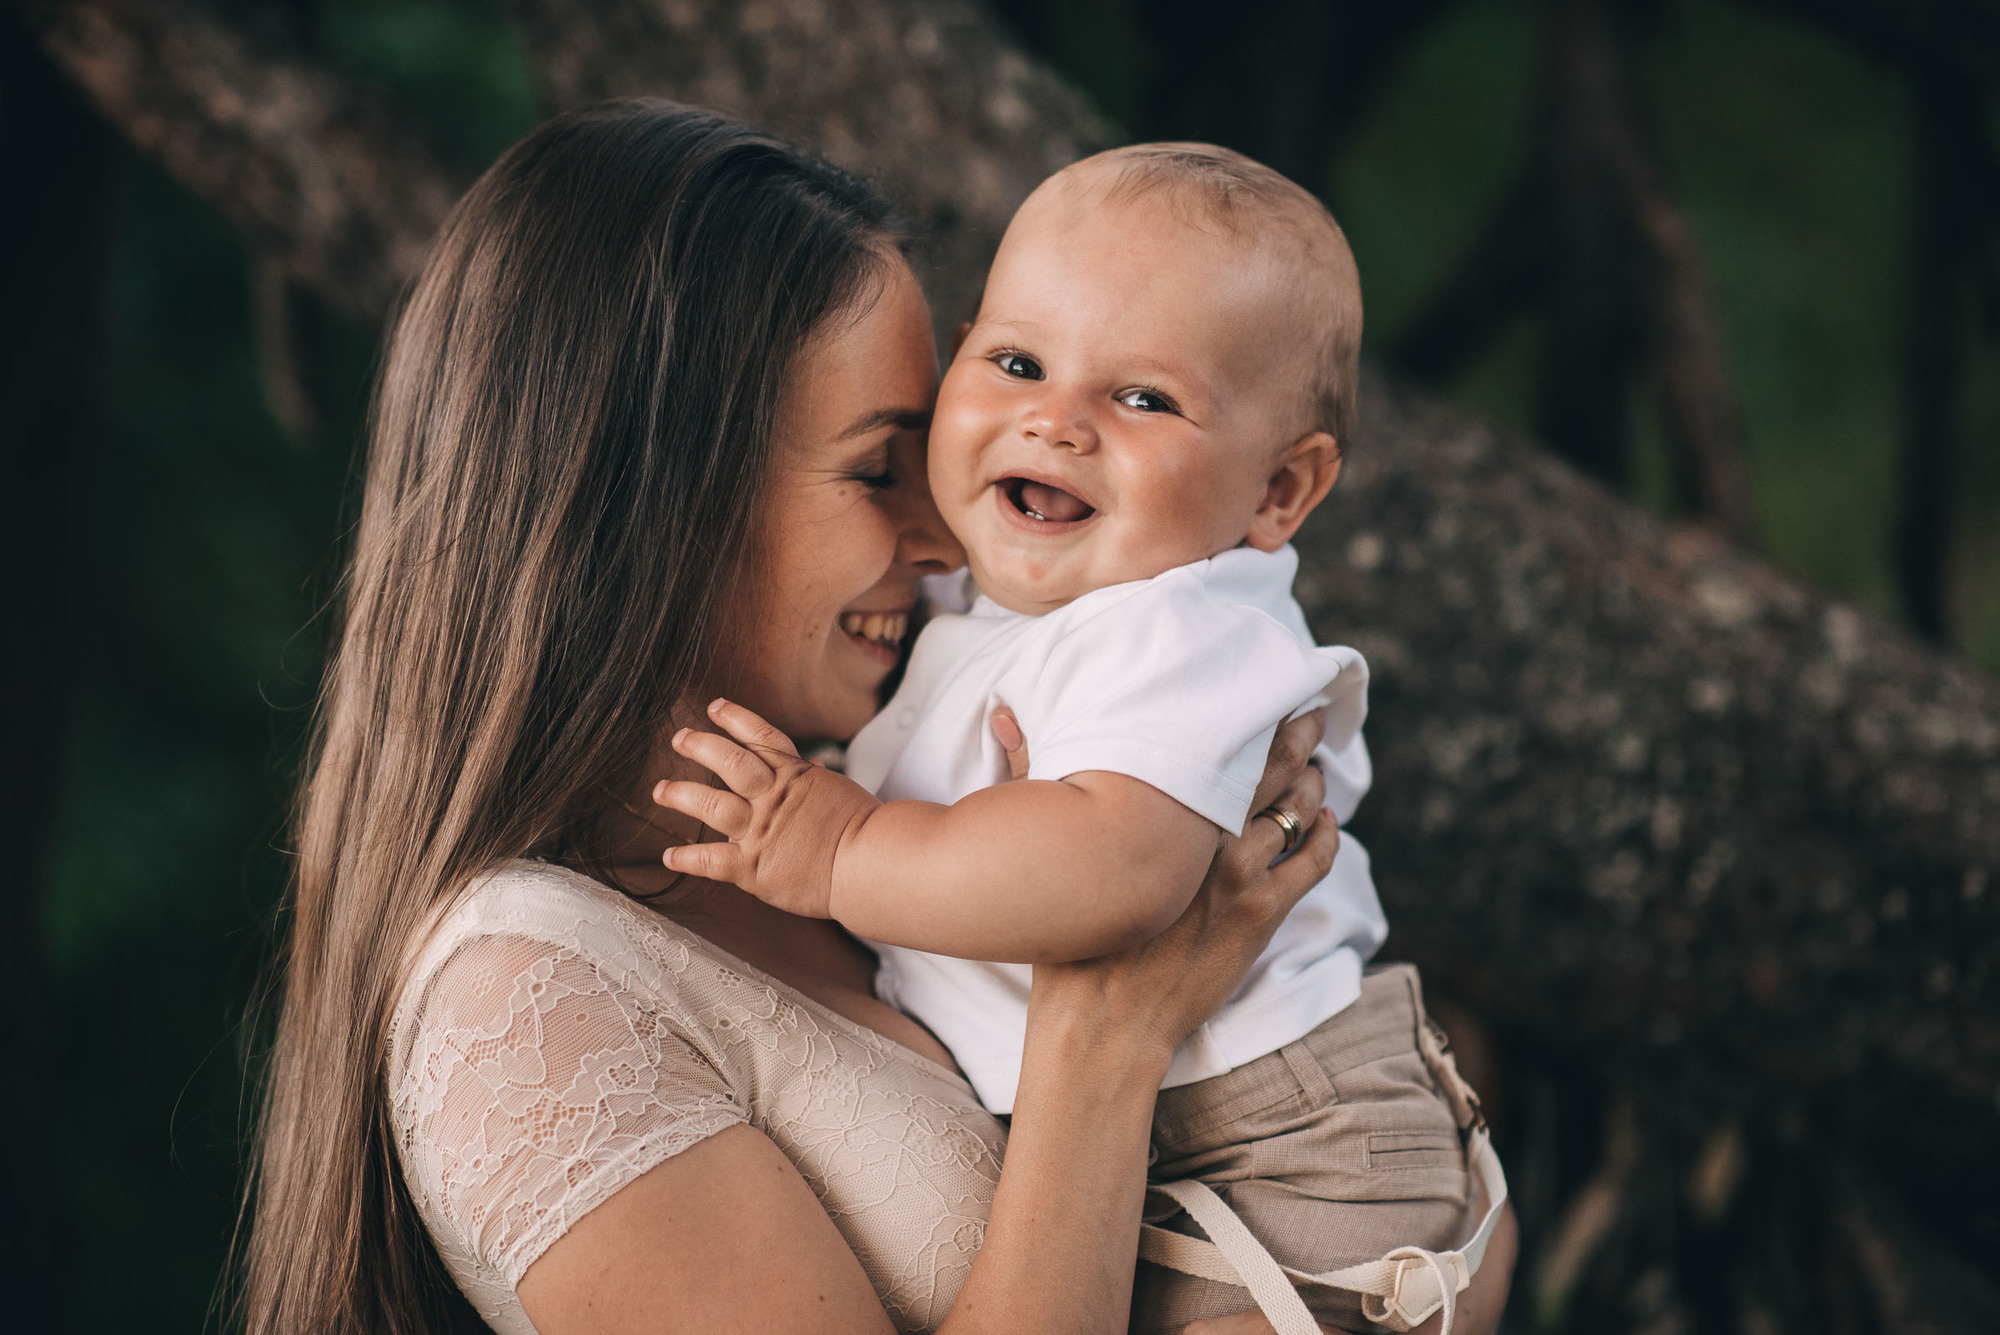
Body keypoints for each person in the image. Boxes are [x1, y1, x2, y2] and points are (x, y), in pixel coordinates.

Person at [239, 102, 1514, 1335]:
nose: (943, 528)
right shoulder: (525, 1004)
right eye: (875, 468)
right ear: (658, 506)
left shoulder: (878, 783)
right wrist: (1104, 1032)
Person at [657, 143, 1506, 1335]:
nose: (1055, 422)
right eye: (1015, 362)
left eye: (1143, 397)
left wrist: (838, 849)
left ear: (1276, 494)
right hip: (1198, 1132)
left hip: (1282, 1147)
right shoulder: (1014, 606)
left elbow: (1108, 870)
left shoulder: (1178, 629)